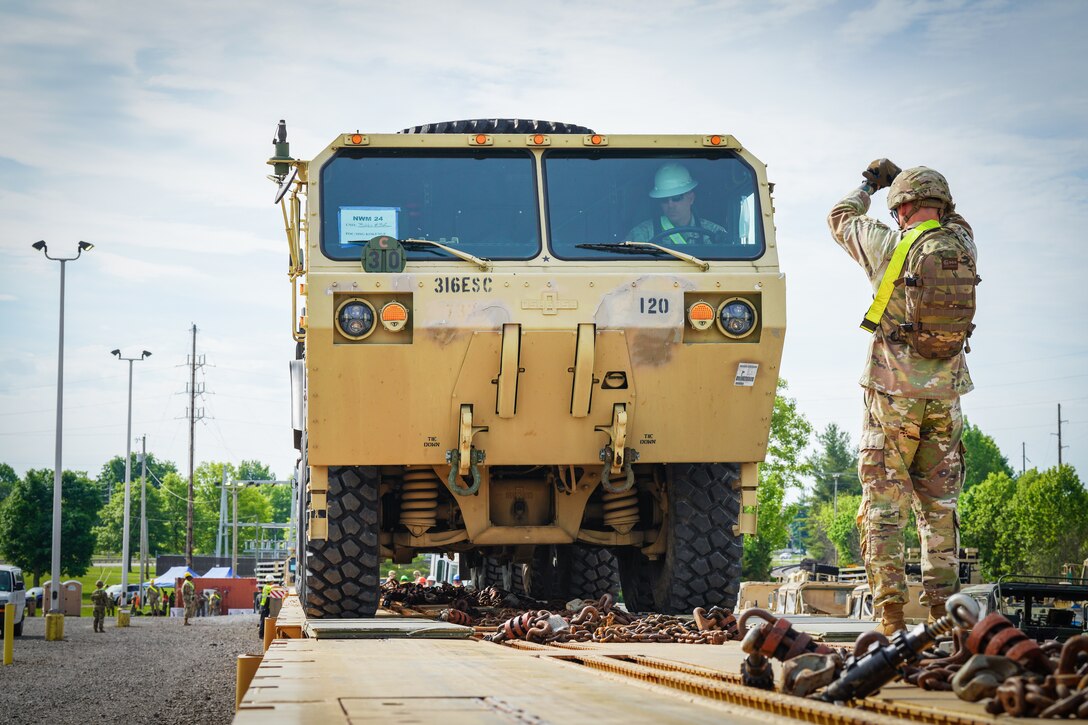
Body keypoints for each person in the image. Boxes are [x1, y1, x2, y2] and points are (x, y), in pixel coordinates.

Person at [828, 160, 977, 636]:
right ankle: (943, 616)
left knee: (884, 507)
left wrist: (872, 186)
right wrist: (911, 187)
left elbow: (840, 216)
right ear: (942, 204)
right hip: (947, 398)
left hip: (891, 397)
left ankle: (891, 616)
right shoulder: (963, 246)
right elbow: (956, 221)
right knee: (939, 509)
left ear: (901, 208)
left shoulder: (887, 244)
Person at [626, 163, 728, 245]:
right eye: (664, 200)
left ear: (691, 198)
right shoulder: (642, 234)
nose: (670, 205)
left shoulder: (715, 233)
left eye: (676, 198)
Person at [257, 574, 275, 639]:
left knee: (264, 620)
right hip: (264, 606)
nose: (273, 582)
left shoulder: (266, 587)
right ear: (270, 581)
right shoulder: (267, 587)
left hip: (265, 606)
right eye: (272, 581)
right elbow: (273, 588)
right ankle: (261, 635)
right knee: (263, 621)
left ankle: (263, 634)